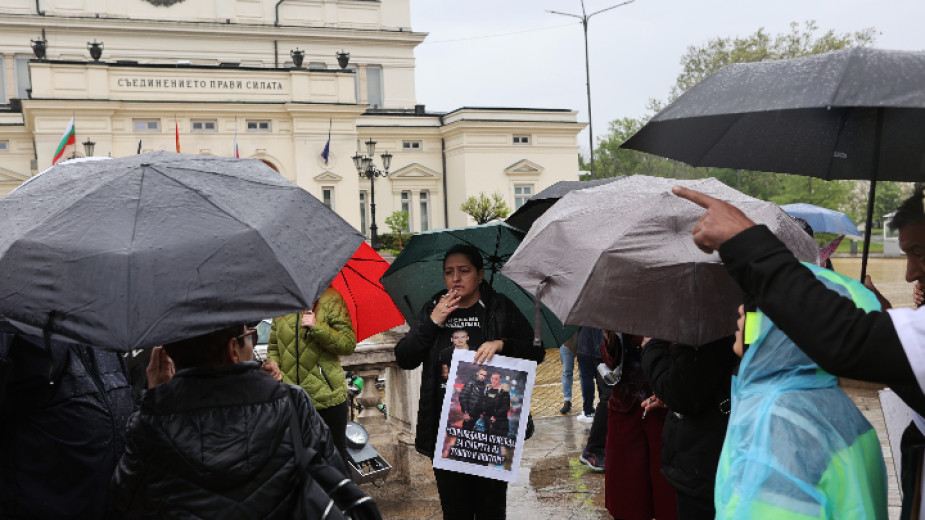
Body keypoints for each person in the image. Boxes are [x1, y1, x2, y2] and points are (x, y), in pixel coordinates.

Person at [674, 184, 925, 509]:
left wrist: (744, 240)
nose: (909, 274)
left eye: (756, 305)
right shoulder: (841, 417)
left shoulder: (779, 431)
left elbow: (846, 337)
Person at [111, 324, 366, 518]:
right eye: (249, 336)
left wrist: (156, 399)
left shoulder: (149, 422)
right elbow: (334, 484)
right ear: (233, 350)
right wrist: (268, 391)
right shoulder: (292, 402)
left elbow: (126, 503)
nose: (252, 345)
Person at [715, 266, 887, 518]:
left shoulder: (778, 424)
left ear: (785, 326)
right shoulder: (836, 406)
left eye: (757, 304)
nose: (742, 310)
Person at [394, 243, 543, 520]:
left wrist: (502, 344)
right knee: (455, 511)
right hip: (445, 430)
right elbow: (405, 357)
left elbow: (536, 352)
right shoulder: (434, 307)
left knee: (491, 510)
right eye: (449, 272)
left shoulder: (499, 307)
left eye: (464, 271)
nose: (456, 278)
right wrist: (433, 321)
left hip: (489, 434)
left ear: (480, 274)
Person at [0, 331, 133, 519]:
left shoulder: (106, 333)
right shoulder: (19, 328)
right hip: (41, 502)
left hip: (102, 500)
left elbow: (121, 404)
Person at [641, 335, 738, 520]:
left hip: (704, 462)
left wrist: (652, 345)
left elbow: (680, 392)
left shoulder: (703, 333)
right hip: (712, 453)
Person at [268, 287, 357, 462]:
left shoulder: (330, 298)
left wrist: (318, 327)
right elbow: (273, 346)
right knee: (299, 460)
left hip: (327, 397)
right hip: (292, 398)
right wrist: (273, 364)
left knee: (335, 459)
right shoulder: (283, 302)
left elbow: (348, 344)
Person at [604, 331, 678, 520]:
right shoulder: (616, 314)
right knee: (627, 497)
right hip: (625, 409)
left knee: (669, 498)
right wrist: (609, 340)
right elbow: (609, 362)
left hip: (665, 408)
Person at [577, 327, 608, 472]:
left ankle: (588, 410)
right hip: (600, 350)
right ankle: (593, 450)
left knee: (606, 394)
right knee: (607, 397)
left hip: (588, 348)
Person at [576, 326, 603, 422]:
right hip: (600, 346)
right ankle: (604, 407)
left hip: (584, 347)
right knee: (601, 378)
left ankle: (588, 411)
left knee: (587, 378)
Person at [483, 371, 511, 438]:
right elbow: (486, 404)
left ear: (500, 380)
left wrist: (495, 416)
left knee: (499, 441)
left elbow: (505, 407)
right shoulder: (488, 390)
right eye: (492, 378)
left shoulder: (504, 392)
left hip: (500, 422)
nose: (493, 380)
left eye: (496, 379)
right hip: (488, 421)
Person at [558, 331, 579, 414]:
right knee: (567, 372)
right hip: (566, 345)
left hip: (583, 343)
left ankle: (588, 403)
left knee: (585, 374)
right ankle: (567, 401)